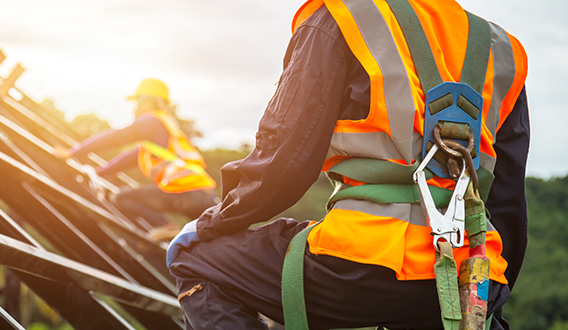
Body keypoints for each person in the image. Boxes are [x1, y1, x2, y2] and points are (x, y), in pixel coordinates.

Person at [167, 0, 529, 329]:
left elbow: (284, 163)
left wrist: (214, 222)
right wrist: (490, 291)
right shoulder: (504, 51)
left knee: (198, 262)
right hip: (474, 276)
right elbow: (508, 200)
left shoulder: (342, 17)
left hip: (363, 265)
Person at [58, 79, 218, 241]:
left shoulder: (152, 121)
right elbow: (124, 160)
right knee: (208, 242)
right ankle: (176, 232)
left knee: (123, 198)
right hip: (204, 196)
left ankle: (166, 227)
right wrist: (98, 173)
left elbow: (115, 137)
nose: (135, 108)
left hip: (186, 192)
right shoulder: (161, 134)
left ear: (147, 101)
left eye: (136, 102)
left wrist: (73, 153)